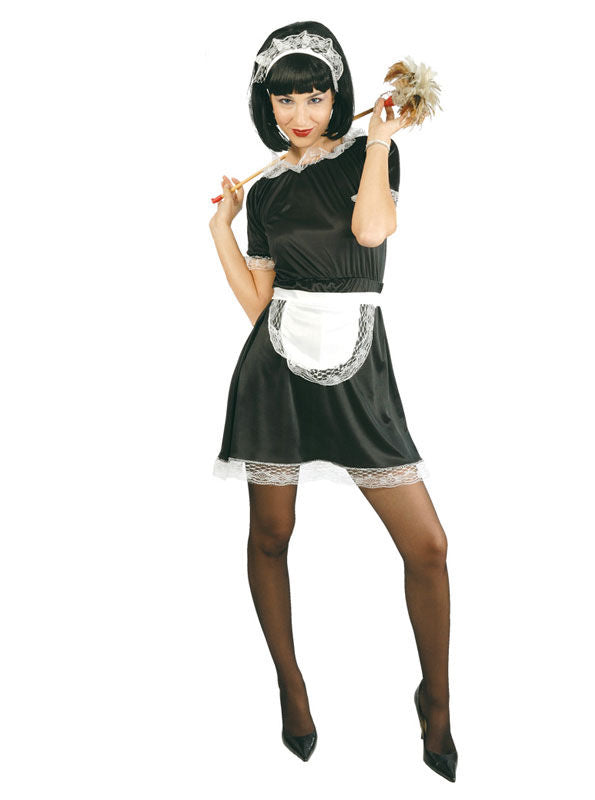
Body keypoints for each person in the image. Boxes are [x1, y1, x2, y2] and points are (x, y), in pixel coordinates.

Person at [208, 20, 458, 782]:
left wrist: (376, 141)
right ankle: (291, 684)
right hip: (274, 370)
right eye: (285, 100)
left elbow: (372, 230)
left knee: (428, 546)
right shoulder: (267, 191)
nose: (300, 113)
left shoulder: (368, 154)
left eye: (314, 96)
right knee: (271, 536)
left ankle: (438, 699)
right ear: (267, 105)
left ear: (335, 95)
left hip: (360, 367)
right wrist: (221, 229)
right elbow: (260, 305)